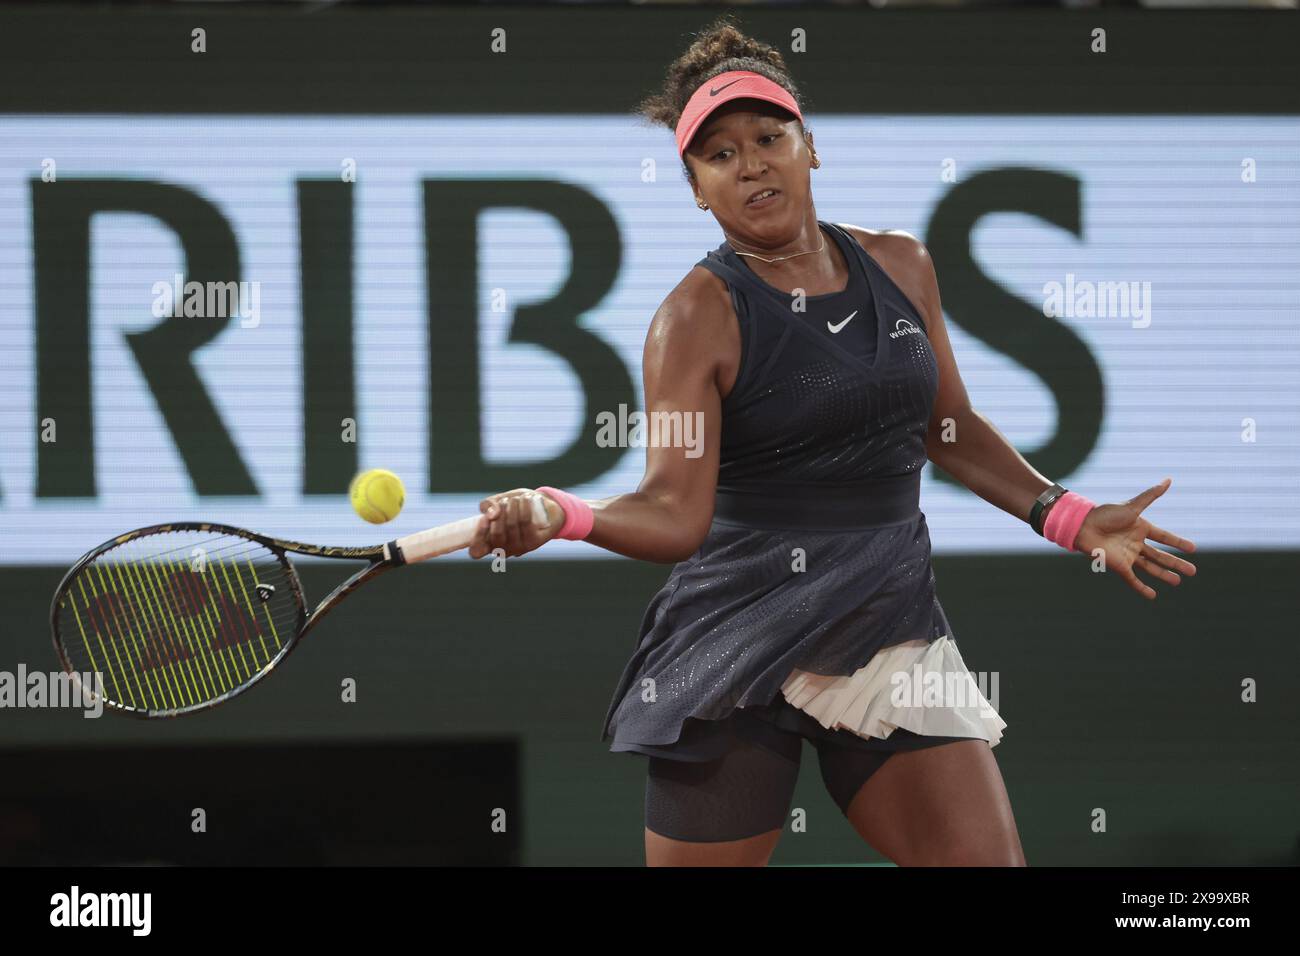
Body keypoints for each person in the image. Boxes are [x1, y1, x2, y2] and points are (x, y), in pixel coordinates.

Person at [467, 16, 1197, 867]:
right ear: (697, 188)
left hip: (884, 619)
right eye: (719, 155)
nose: (751, 165)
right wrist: (560, 512)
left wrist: (1067, 515)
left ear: (809, 147)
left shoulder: (903, 264)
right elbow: (672, 512)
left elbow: (944, 430)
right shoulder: (691, 321)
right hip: (733, 636)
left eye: (767, 138)